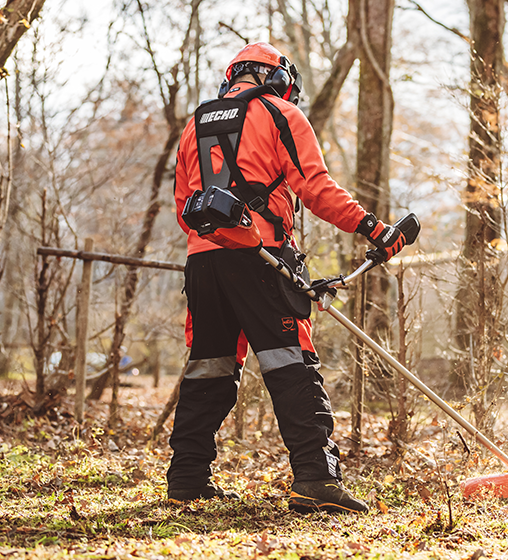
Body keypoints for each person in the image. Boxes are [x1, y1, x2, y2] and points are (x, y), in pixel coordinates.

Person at [168, 42, 407, 514]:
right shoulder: (280, 114)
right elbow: (315, 189)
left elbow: (183, 208)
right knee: (291, 364)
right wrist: (374, 228)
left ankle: (187, 477)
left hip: (202, 261)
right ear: (276, 79)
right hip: (260, 258)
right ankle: (316, 479)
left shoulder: (193, 124)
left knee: (209, 367)